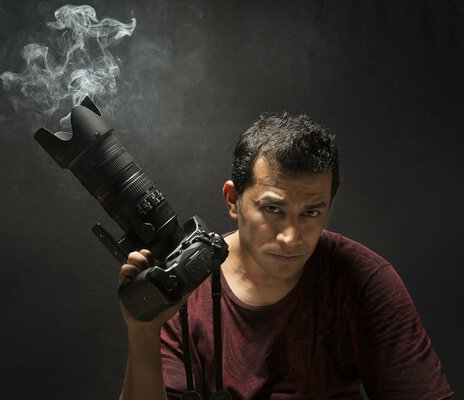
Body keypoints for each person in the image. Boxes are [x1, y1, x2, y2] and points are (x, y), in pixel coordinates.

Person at [118, 113, 453, 399]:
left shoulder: (365, 280)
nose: (291, 237)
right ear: (234, 200)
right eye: (273, 209)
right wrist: (142, 331)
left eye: (311, 213)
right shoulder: (185, 282)